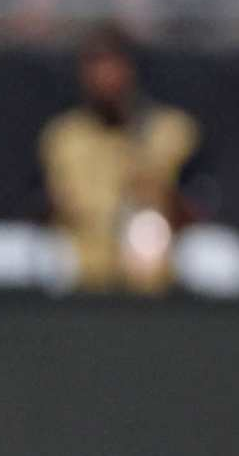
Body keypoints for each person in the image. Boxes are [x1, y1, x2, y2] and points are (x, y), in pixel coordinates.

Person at [39, 24, 203, 295]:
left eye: (112, 65)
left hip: (158, 265)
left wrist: (159, 193)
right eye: (96, 67)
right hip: (81, 263)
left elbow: (196, 207)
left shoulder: (170, 131)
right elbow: (42, 207)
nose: (105, 77)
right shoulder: (64, 137)